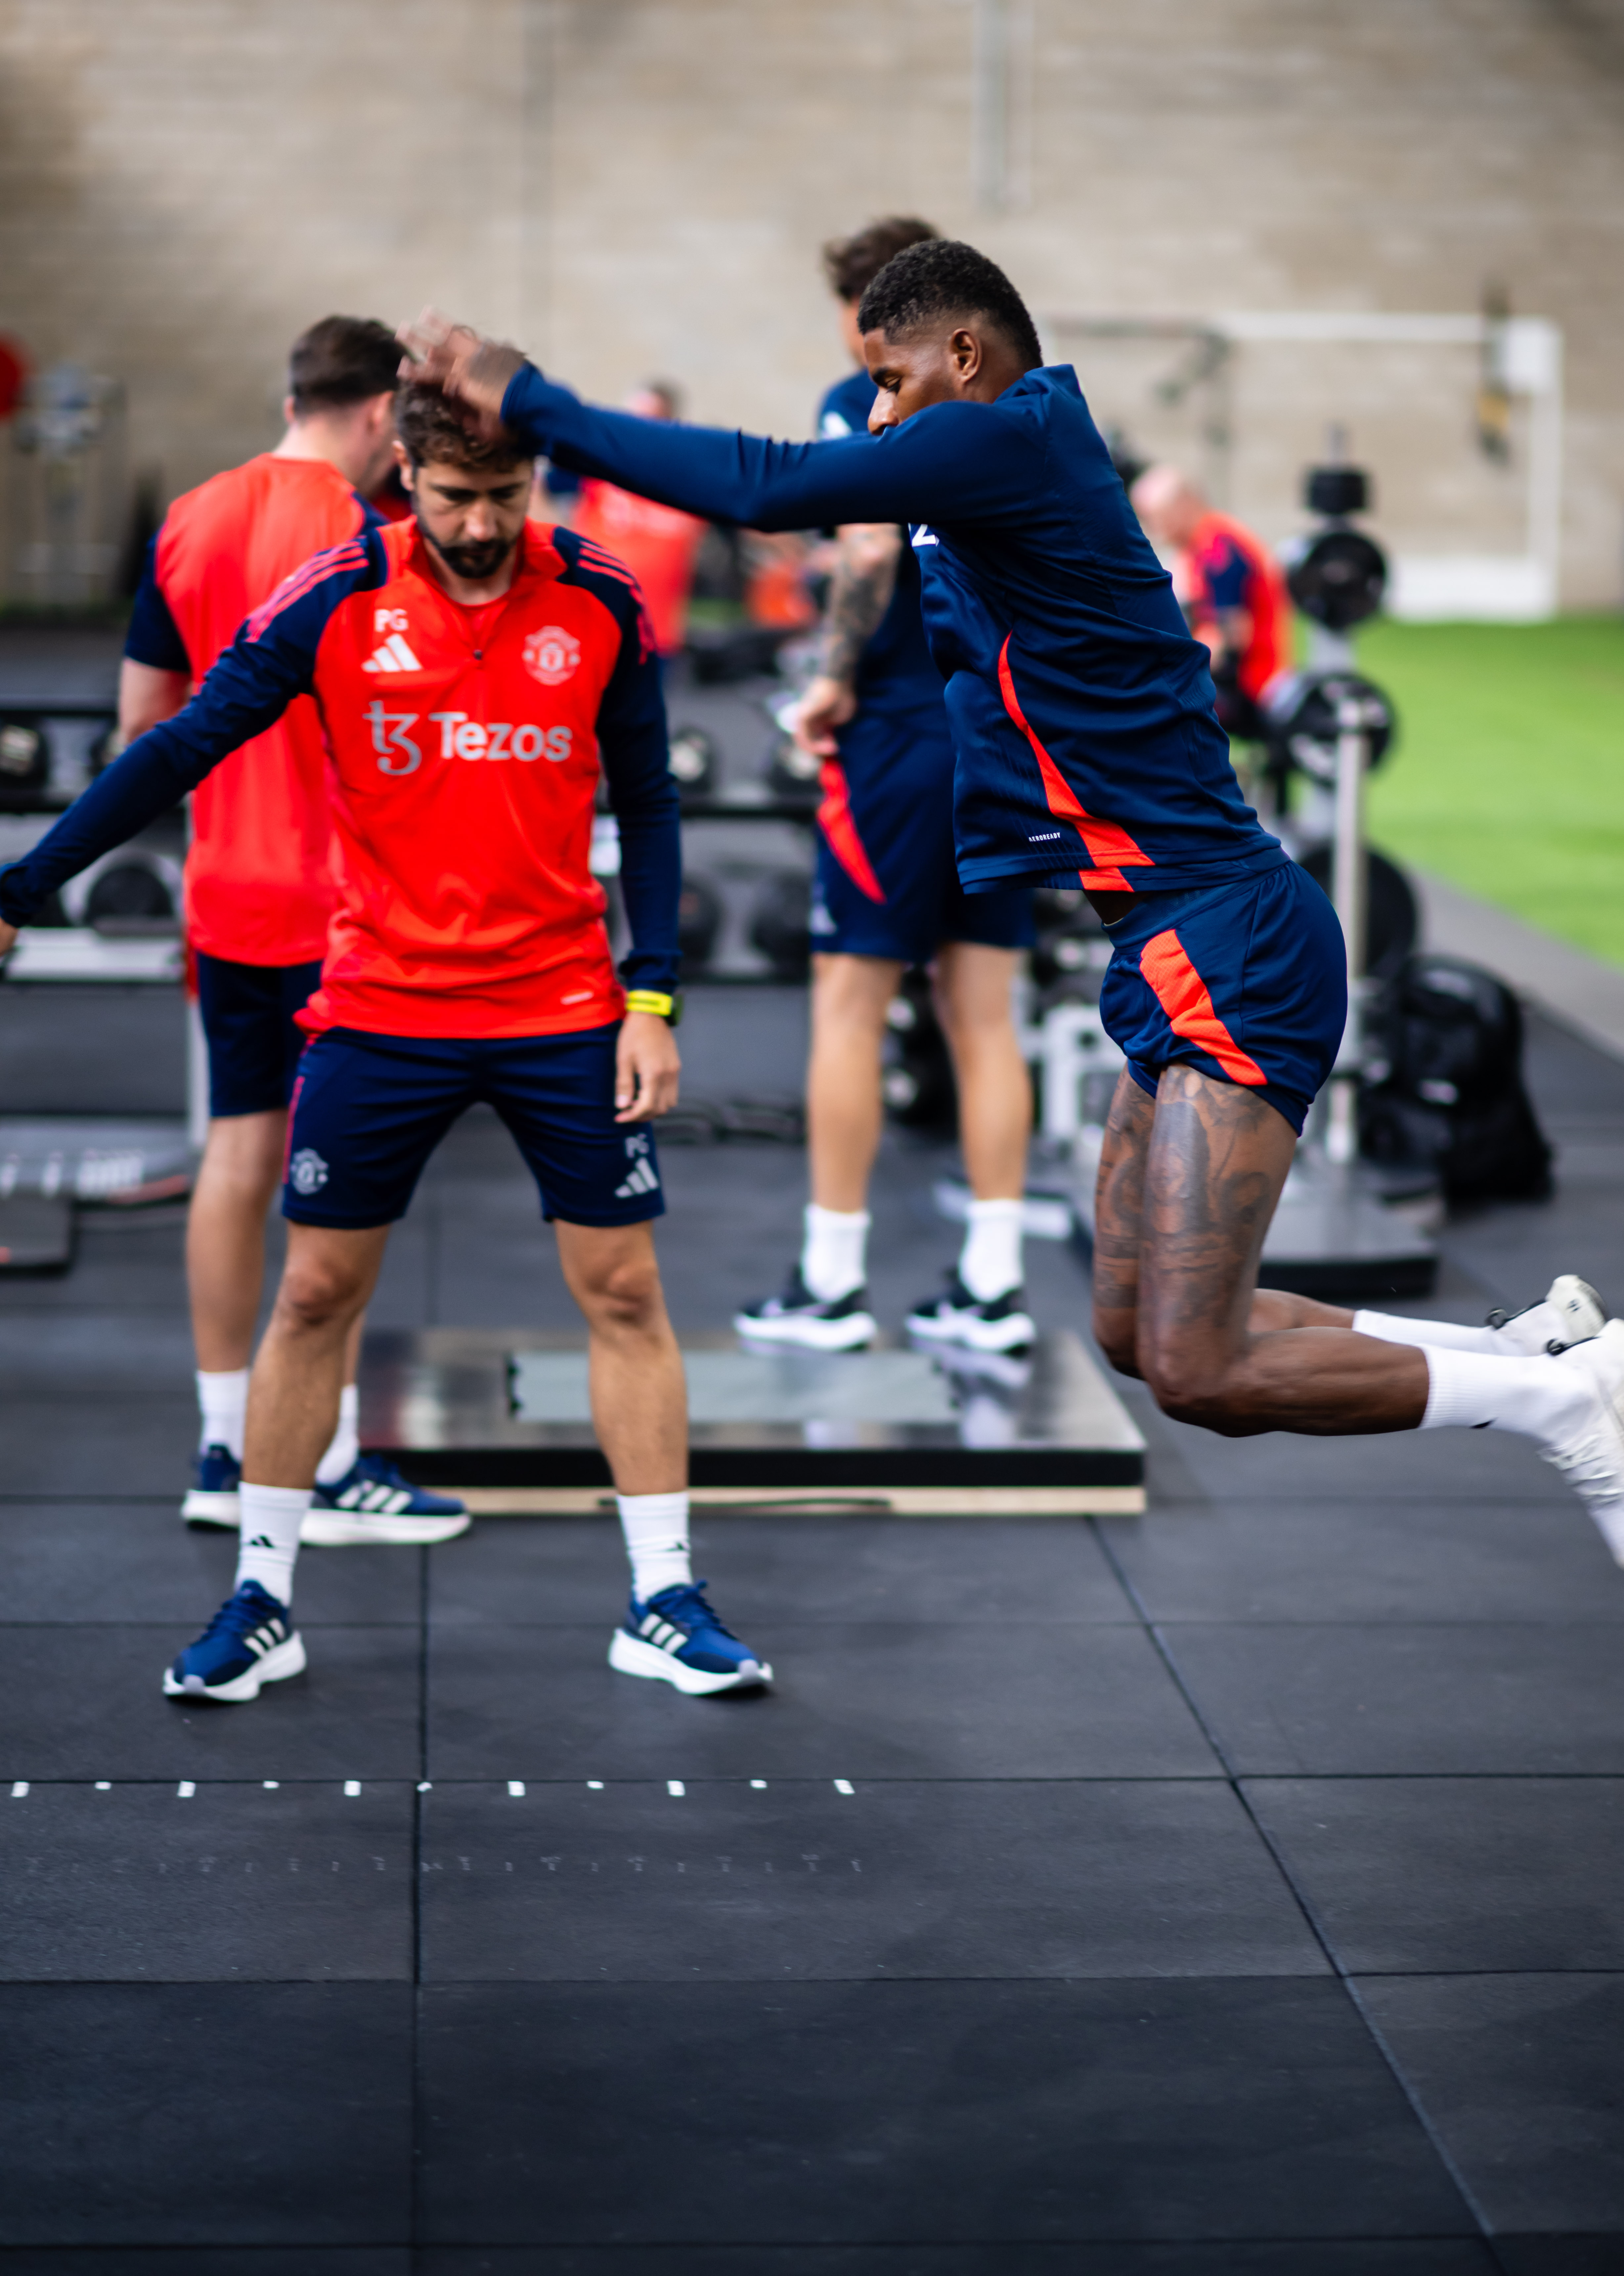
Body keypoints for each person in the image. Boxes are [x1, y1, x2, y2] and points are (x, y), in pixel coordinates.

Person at [400, 238, 1624, 1578]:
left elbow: (772, 485)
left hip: (1229, 942)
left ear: (962, 354)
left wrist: (529, 396)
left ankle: (1553, 1406)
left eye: (888, 379)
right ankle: (1527, 1356)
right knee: (1139, 1333)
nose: (881, 413)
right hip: (1166, 943)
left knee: (1195, 1365)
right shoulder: (1012, 460)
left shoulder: (1007, 442)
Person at [0, 381, 772, 1703]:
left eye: (505, 498)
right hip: (381, 1004)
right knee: (311, 1298)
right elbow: (179, 744)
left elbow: (647, 807)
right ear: (400, 470)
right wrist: (24, 881)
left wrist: (654, 997)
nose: (479, 527)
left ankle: (660, 1597)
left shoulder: (595, 599)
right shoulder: (333, 595)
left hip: (562, 1007)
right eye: (454, 497)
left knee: (628, 1296)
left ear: (537, 481)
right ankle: (261, 1599)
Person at [120, 314, 464, 1547]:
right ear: (380, 411)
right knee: (343, 1191)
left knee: (236, 1155)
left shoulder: (190, 516)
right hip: (346, 914)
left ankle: (227, 1443)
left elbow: (142, 728)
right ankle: (321, 1454)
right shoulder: (379, 540)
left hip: (226, 897)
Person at [737, 216, 1036, 1357]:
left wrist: (825, 680)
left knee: (850, 1009)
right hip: (1001, 743)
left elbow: (867, 552)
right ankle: (995, 1288)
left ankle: (828, 1284)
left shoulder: (861, 389)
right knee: (983, 1018)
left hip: (899, 740)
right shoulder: (1015, 413)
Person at [539, 382, 705, 667]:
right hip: (595, 618)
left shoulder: (689, 479)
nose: (637, 428)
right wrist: (563, 537)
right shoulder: (598, 465)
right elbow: (538, 487)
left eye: (649, 419)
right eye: (632, 418)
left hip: (658, 630)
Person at [1129, 464, 1292, 745]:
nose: (1154, 531)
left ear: (1182, 508)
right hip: (1238, 680)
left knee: (1140, 704)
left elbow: (1233, 635)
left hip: (1251, 686)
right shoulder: (1204, 543)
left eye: (1155, 519)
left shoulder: (1218, 548)